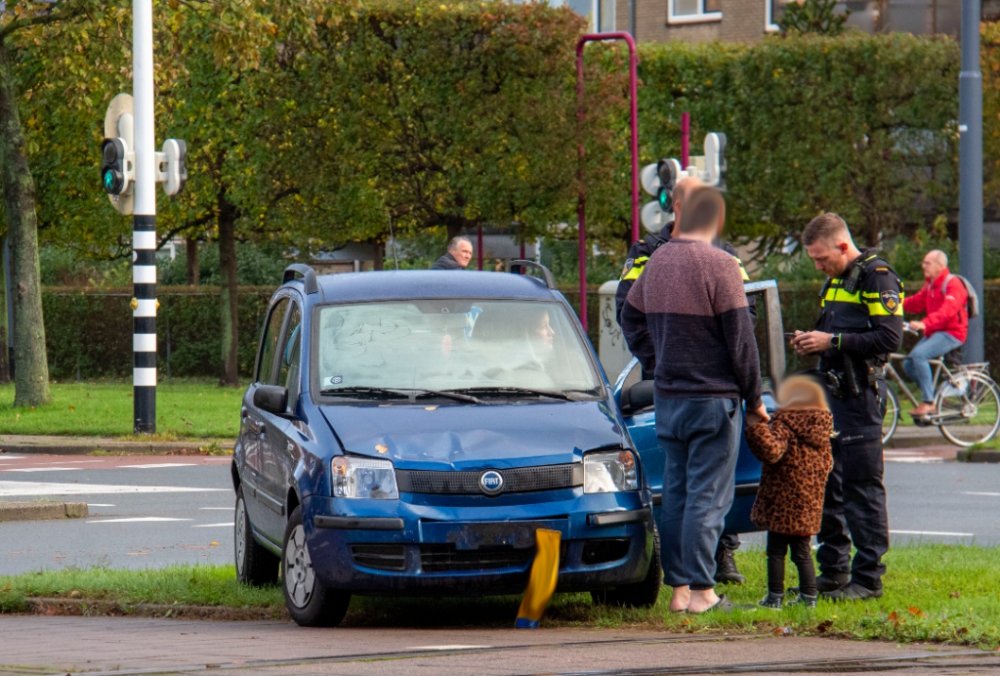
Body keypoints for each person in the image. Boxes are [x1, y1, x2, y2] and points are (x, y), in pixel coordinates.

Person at [622, 186, 767, 614]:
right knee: (709, 495)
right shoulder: (721, 265)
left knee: (679, 493)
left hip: (668, 397)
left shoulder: (658, 261)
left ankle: (679, 591)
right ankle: (704, 593)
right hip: (712, 399)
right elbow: (742, 343)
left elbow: (629, 316)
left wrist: (656, 358)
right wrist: (754, 397)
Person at [791, 213, 903, 601]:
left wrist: (831, 343)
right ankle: (835, 570)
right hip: (835, 396)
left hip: (860, 397)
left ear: (843, 245)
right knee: (829, 485)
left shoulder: (877, 276)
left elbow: (890, 336)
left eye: (822, 258)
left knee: (862, 488)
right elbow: (837, 331)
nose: (818, 266)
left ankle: (868, 579)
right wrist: (811, 340)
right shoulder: (837, 280)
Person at [744, 375, 834, 609]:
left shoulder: (785, 425)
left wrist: (755, 426)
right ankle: (809, 597)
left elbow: (771, 451)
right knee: (802, 552)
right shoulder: (821, 430)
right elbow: (828, 464)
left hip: (782, 503)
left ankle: (774, 596)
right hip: (808, 505)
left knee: (775, 551)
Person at [902, 250, 968, 417]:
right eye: (924, 263)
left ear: (941, 265)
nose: (923, 266)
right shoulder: (930, 285)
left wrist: (924, 323)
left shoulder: (953, 284)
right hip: (935, 332)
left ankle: (929, 402)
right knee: (908, 364)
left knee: (919, 355)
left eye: (927, 263)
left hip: (952, 332)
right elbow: (916, 303)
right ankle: (937, 396)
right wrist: (892, 303)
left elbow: (948, 311)